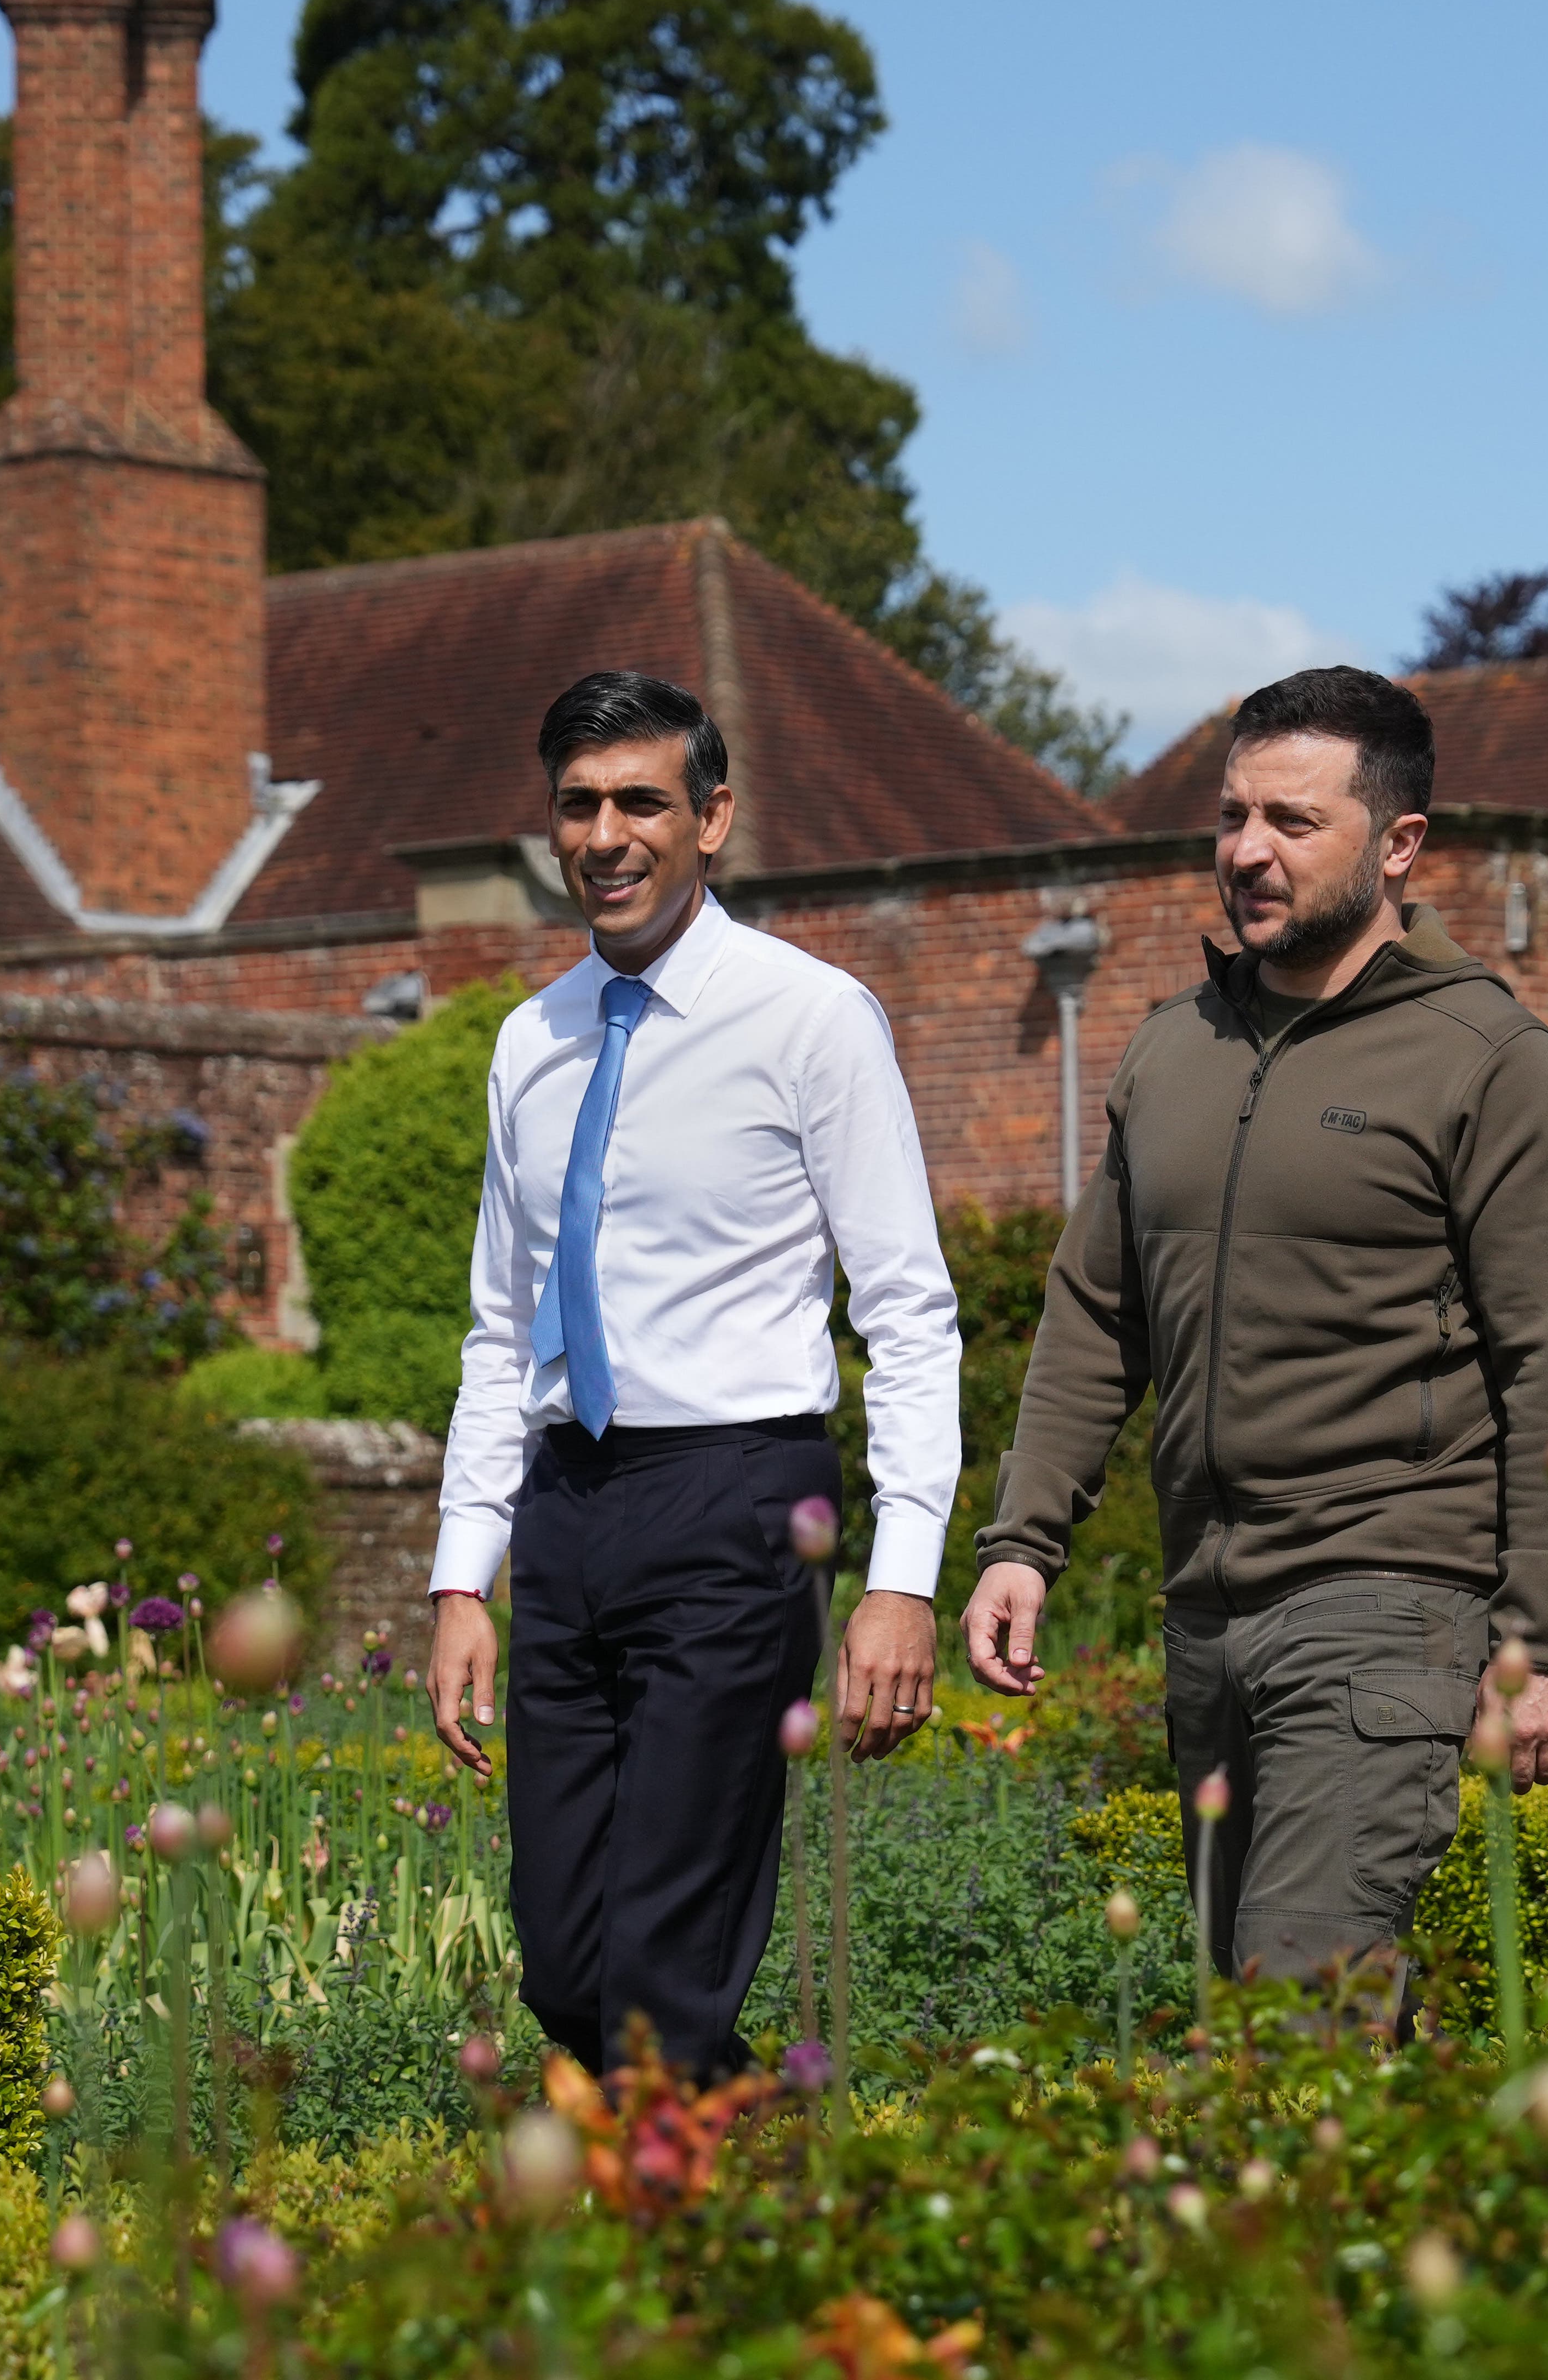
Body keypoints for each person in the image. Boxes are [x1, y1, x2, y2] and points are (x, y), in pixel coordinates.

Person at [963, 665, 1548, 1994]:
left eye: (1292, 822)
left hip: (1388, 1598)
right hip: (1205, 1611)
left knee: (1290, 2013)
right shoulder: (1170, 1051)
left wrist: (1542, 1640)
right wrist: (1023, 1542)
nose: (1246, 853)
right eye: (1231, 817)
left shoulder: (1484, 1060)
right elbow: (1097, 1313)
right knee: (1256, 2025)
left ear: (1398, 844)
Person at [426, 669, 960, 2081]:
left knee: (668, 1954)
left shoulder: (811, 1019)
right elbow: (500, 1328)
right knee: (560, 1951)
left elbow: (906, 1310)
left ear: (711, 818)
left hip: (735, 1498)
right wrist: (460, 1577)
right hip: (569, 1504)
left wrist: (902, 1575)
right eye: (577, 805)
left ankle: (669, 2245)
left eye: (640, 802)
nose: (604, 835)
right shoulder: (526, 1042)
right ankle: (691, 2176)